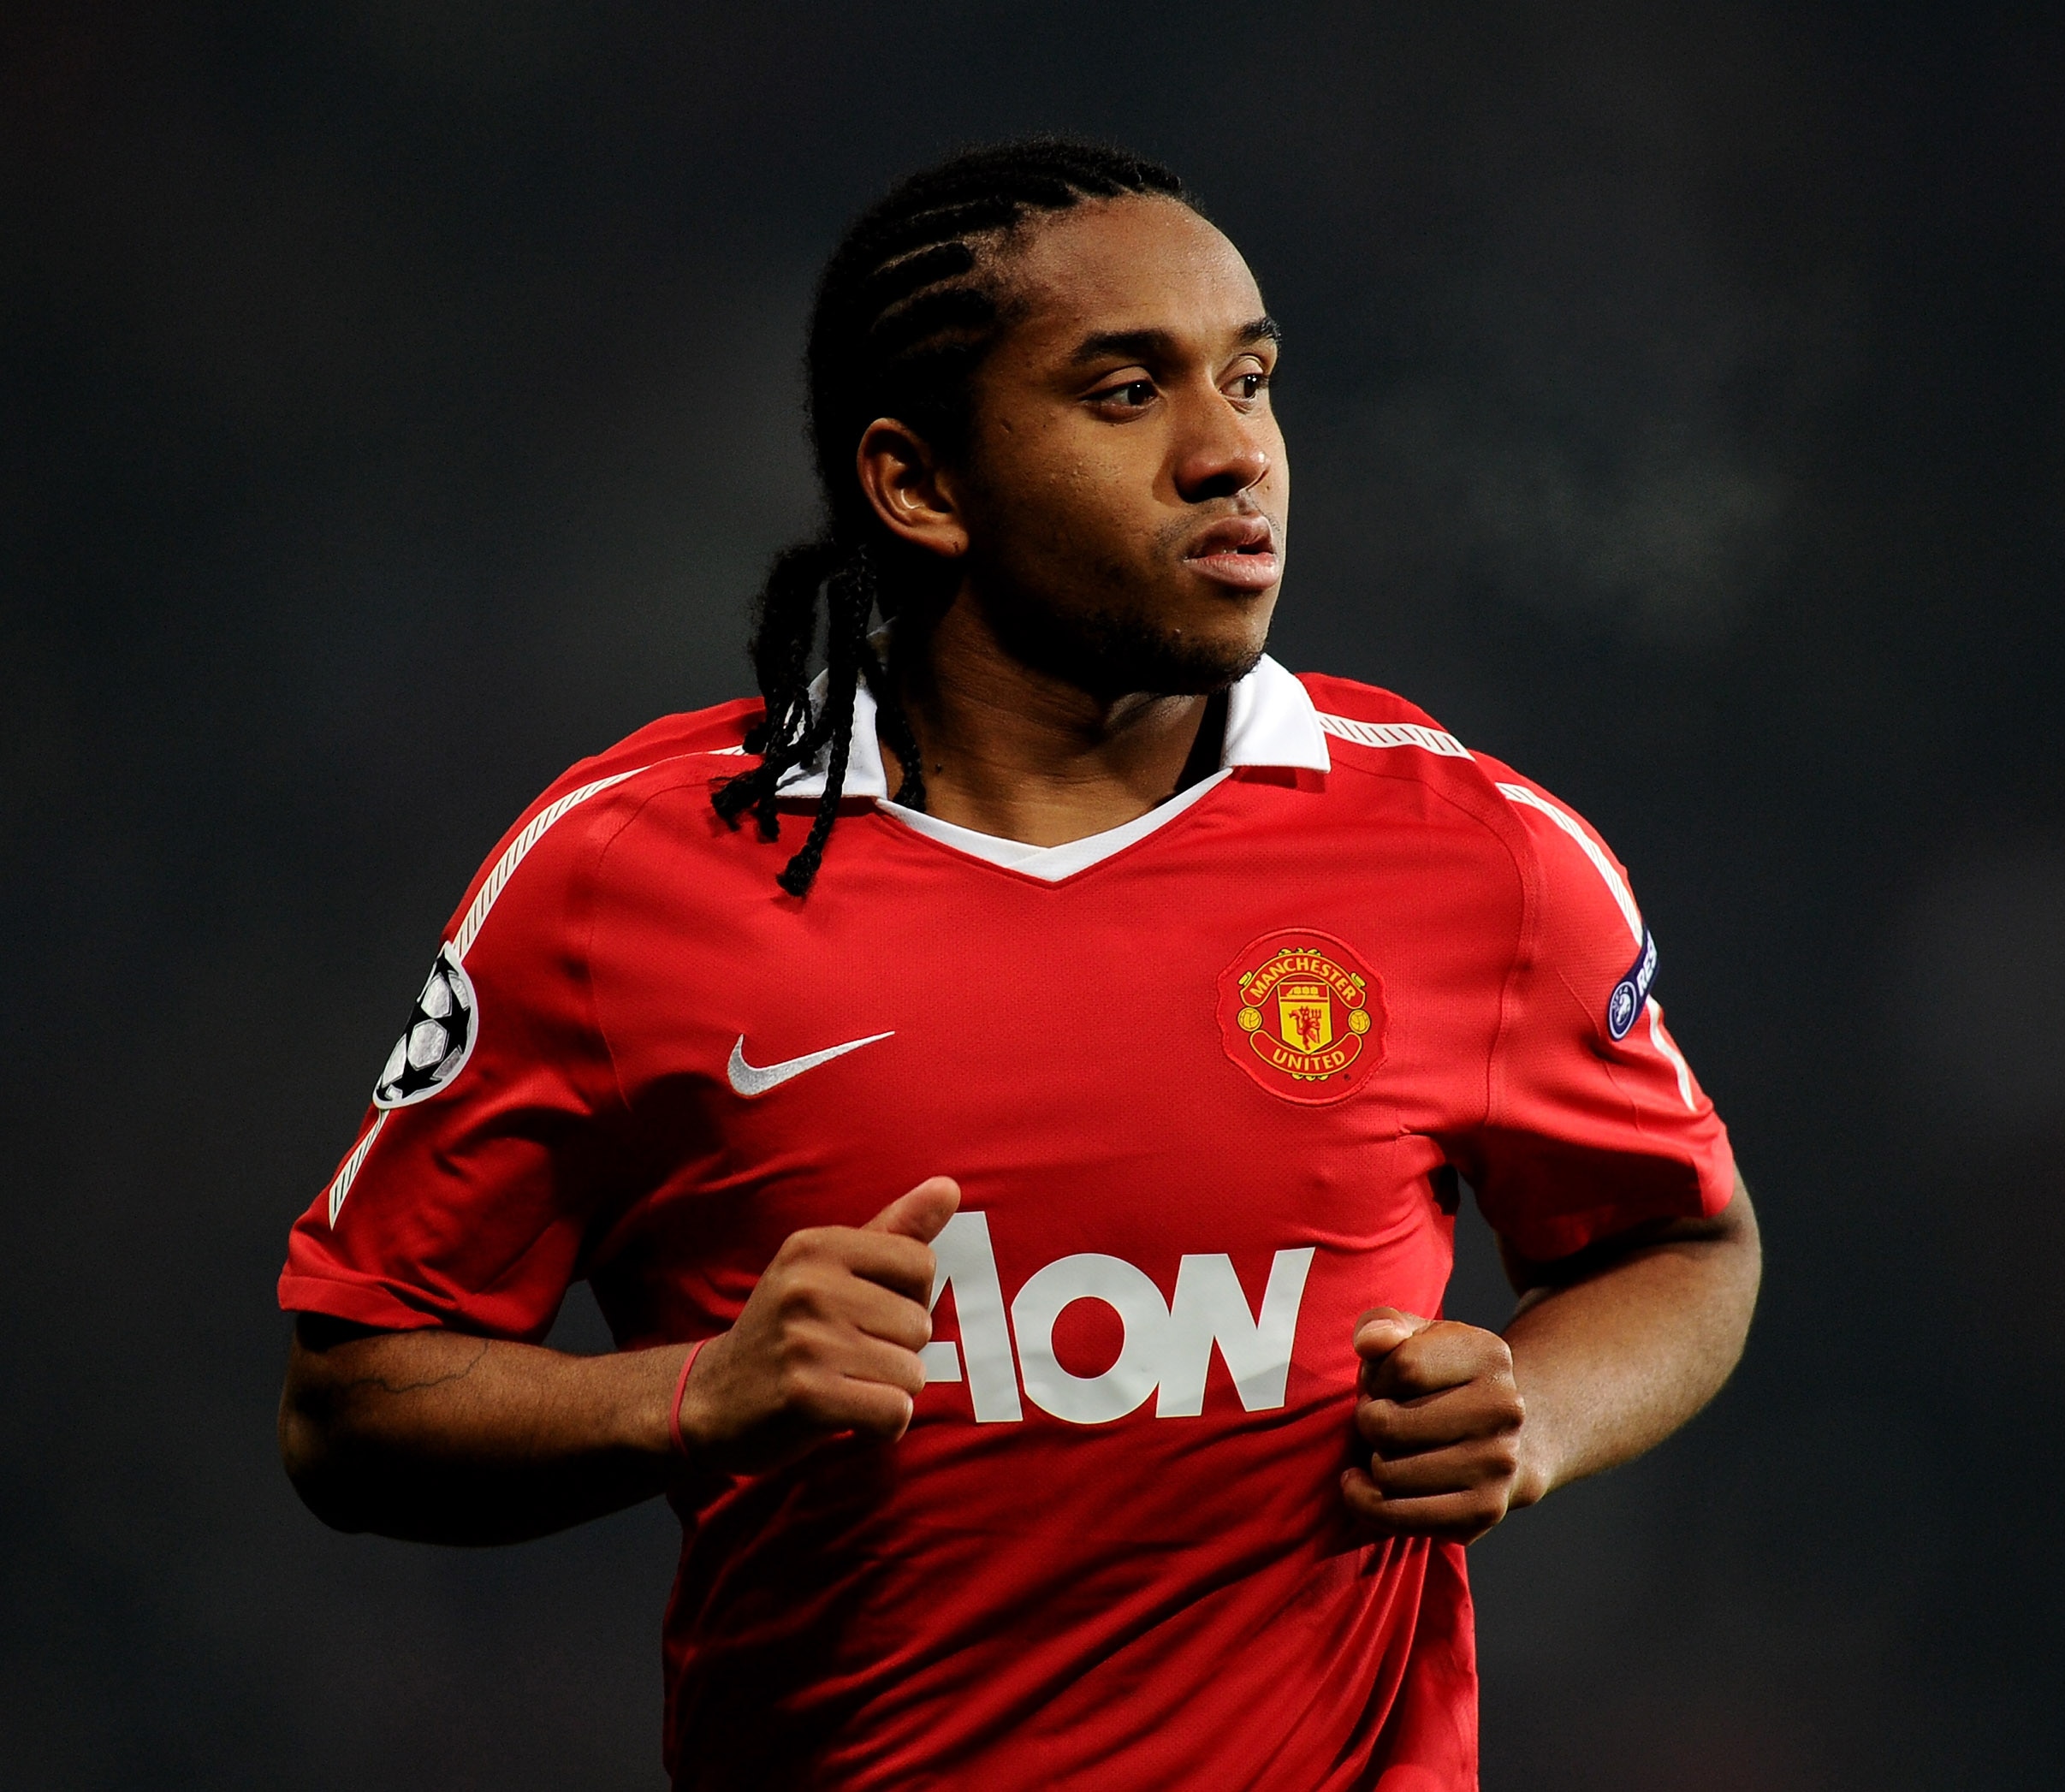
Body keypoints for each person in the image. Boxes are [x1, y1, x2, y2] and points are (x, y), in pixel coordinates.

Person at [276, 137, 1761, 1791]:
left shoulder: (1472, 851)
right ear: (920, 484)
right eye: (1127, 393)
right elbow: (350, 1409)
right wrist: (689, 1398)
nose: (1231, 457)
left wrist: (1536, 1418)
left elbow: (1686, 1245)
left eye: (1252, 382)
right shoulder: (621, 874)